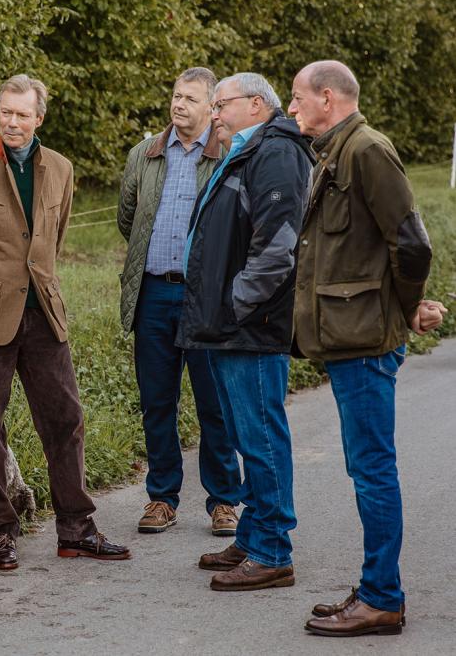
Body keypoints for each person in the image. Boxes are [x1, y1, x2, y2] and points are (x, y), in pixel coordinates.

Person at [0, 74, 130, 571]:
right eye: (5, 112)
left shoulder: (60, 168)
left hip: (43, 315)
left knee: (65, 420)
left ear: (40, 118)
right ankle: (0, 530)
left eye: (22, 114)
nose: (12, 122)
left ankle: (76, 531)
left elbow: (52, 242)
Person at [288, 60, 446, 637]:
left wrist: (405, 307)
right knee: (366, 465)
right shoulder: (336, 149)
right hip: (347, 335)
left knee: (373, 468)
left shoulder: (366, 150)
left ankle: (382, 597)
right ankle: (377, 586)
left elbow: (412, 244)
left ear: (327, 97)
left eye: (298, 97)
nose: (291, 107)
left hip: (364, 338)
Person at [177, 73, 313, 591]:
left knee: (261, 439)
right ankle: (255, 535)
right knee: (244, 435)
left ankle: (274, 550)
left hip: (251, 326)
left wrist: (236, 303)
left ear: (256, 104)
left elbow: (279, 244)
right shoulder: (247, 149)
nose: (213, 113)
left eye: (221, 103)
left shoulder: (276, 151)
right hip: (230, 325)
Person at [118, 67, 242, 535]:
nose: (178, 105)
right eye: (175, 96)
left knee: (214, 403)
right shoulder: (145, 153)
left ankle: (225, 500)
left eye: (190, 99)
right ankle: (162, 498)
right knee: (157, 401)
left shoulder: (227, 153)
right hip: (153, 292)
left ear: (212, 108)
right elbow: (128, 219)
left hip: (206, 298)